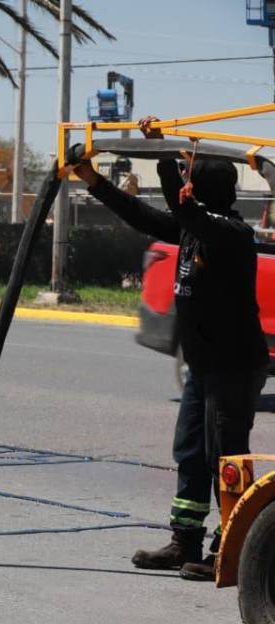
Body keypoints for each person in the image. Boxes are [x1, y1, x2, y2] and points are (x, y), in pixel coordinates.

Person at [75, 115, 269, 580]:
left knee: (226, 456)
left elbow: (185, 213)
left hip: (233, 367)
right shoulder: (193, 228)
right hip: (204, 368)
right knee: (190, 452)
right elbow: (141, 214)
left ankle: (233, 548)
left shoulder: (231, 234)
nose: (183, 186)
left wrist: (166, 159)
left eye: (189, 180)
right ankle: (185, 541)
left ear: (201, 192)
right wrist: (90, 178)